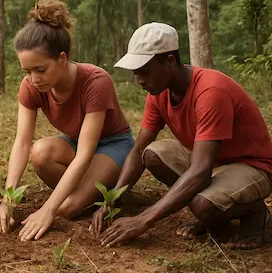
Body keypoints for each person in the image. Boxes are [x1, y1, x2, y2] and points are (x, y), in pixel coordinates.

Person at [91, 22, 272, 250]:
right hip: (211, 161)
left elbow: (200, 172)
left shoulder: (210, 92)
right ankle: (213, 210)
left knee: (202, 205)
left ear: (169, 61)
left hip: (251, 167)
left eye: (145, 72)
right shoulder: (159, 93)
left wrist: (143, 220)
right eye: (136, 73)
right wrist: (112, 200)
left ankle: (256, 211)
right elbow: (137, 152)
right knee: (152, 154)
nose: (139, 80)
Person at [0, 0, 134, 241]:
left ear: (62, 59)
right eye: (27, 71)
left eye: (40, 70)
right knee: (40, 151)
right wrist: (7, 202)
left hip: (112, 145)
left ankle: (112, 186)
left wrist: (48, 209)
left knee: (66, 208)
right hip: (75, 143)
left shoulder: (96, 81)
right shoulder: (31, 87)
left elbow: (85, 154)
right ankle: (95, 191)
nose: (34, 79)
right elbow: (22, 143)